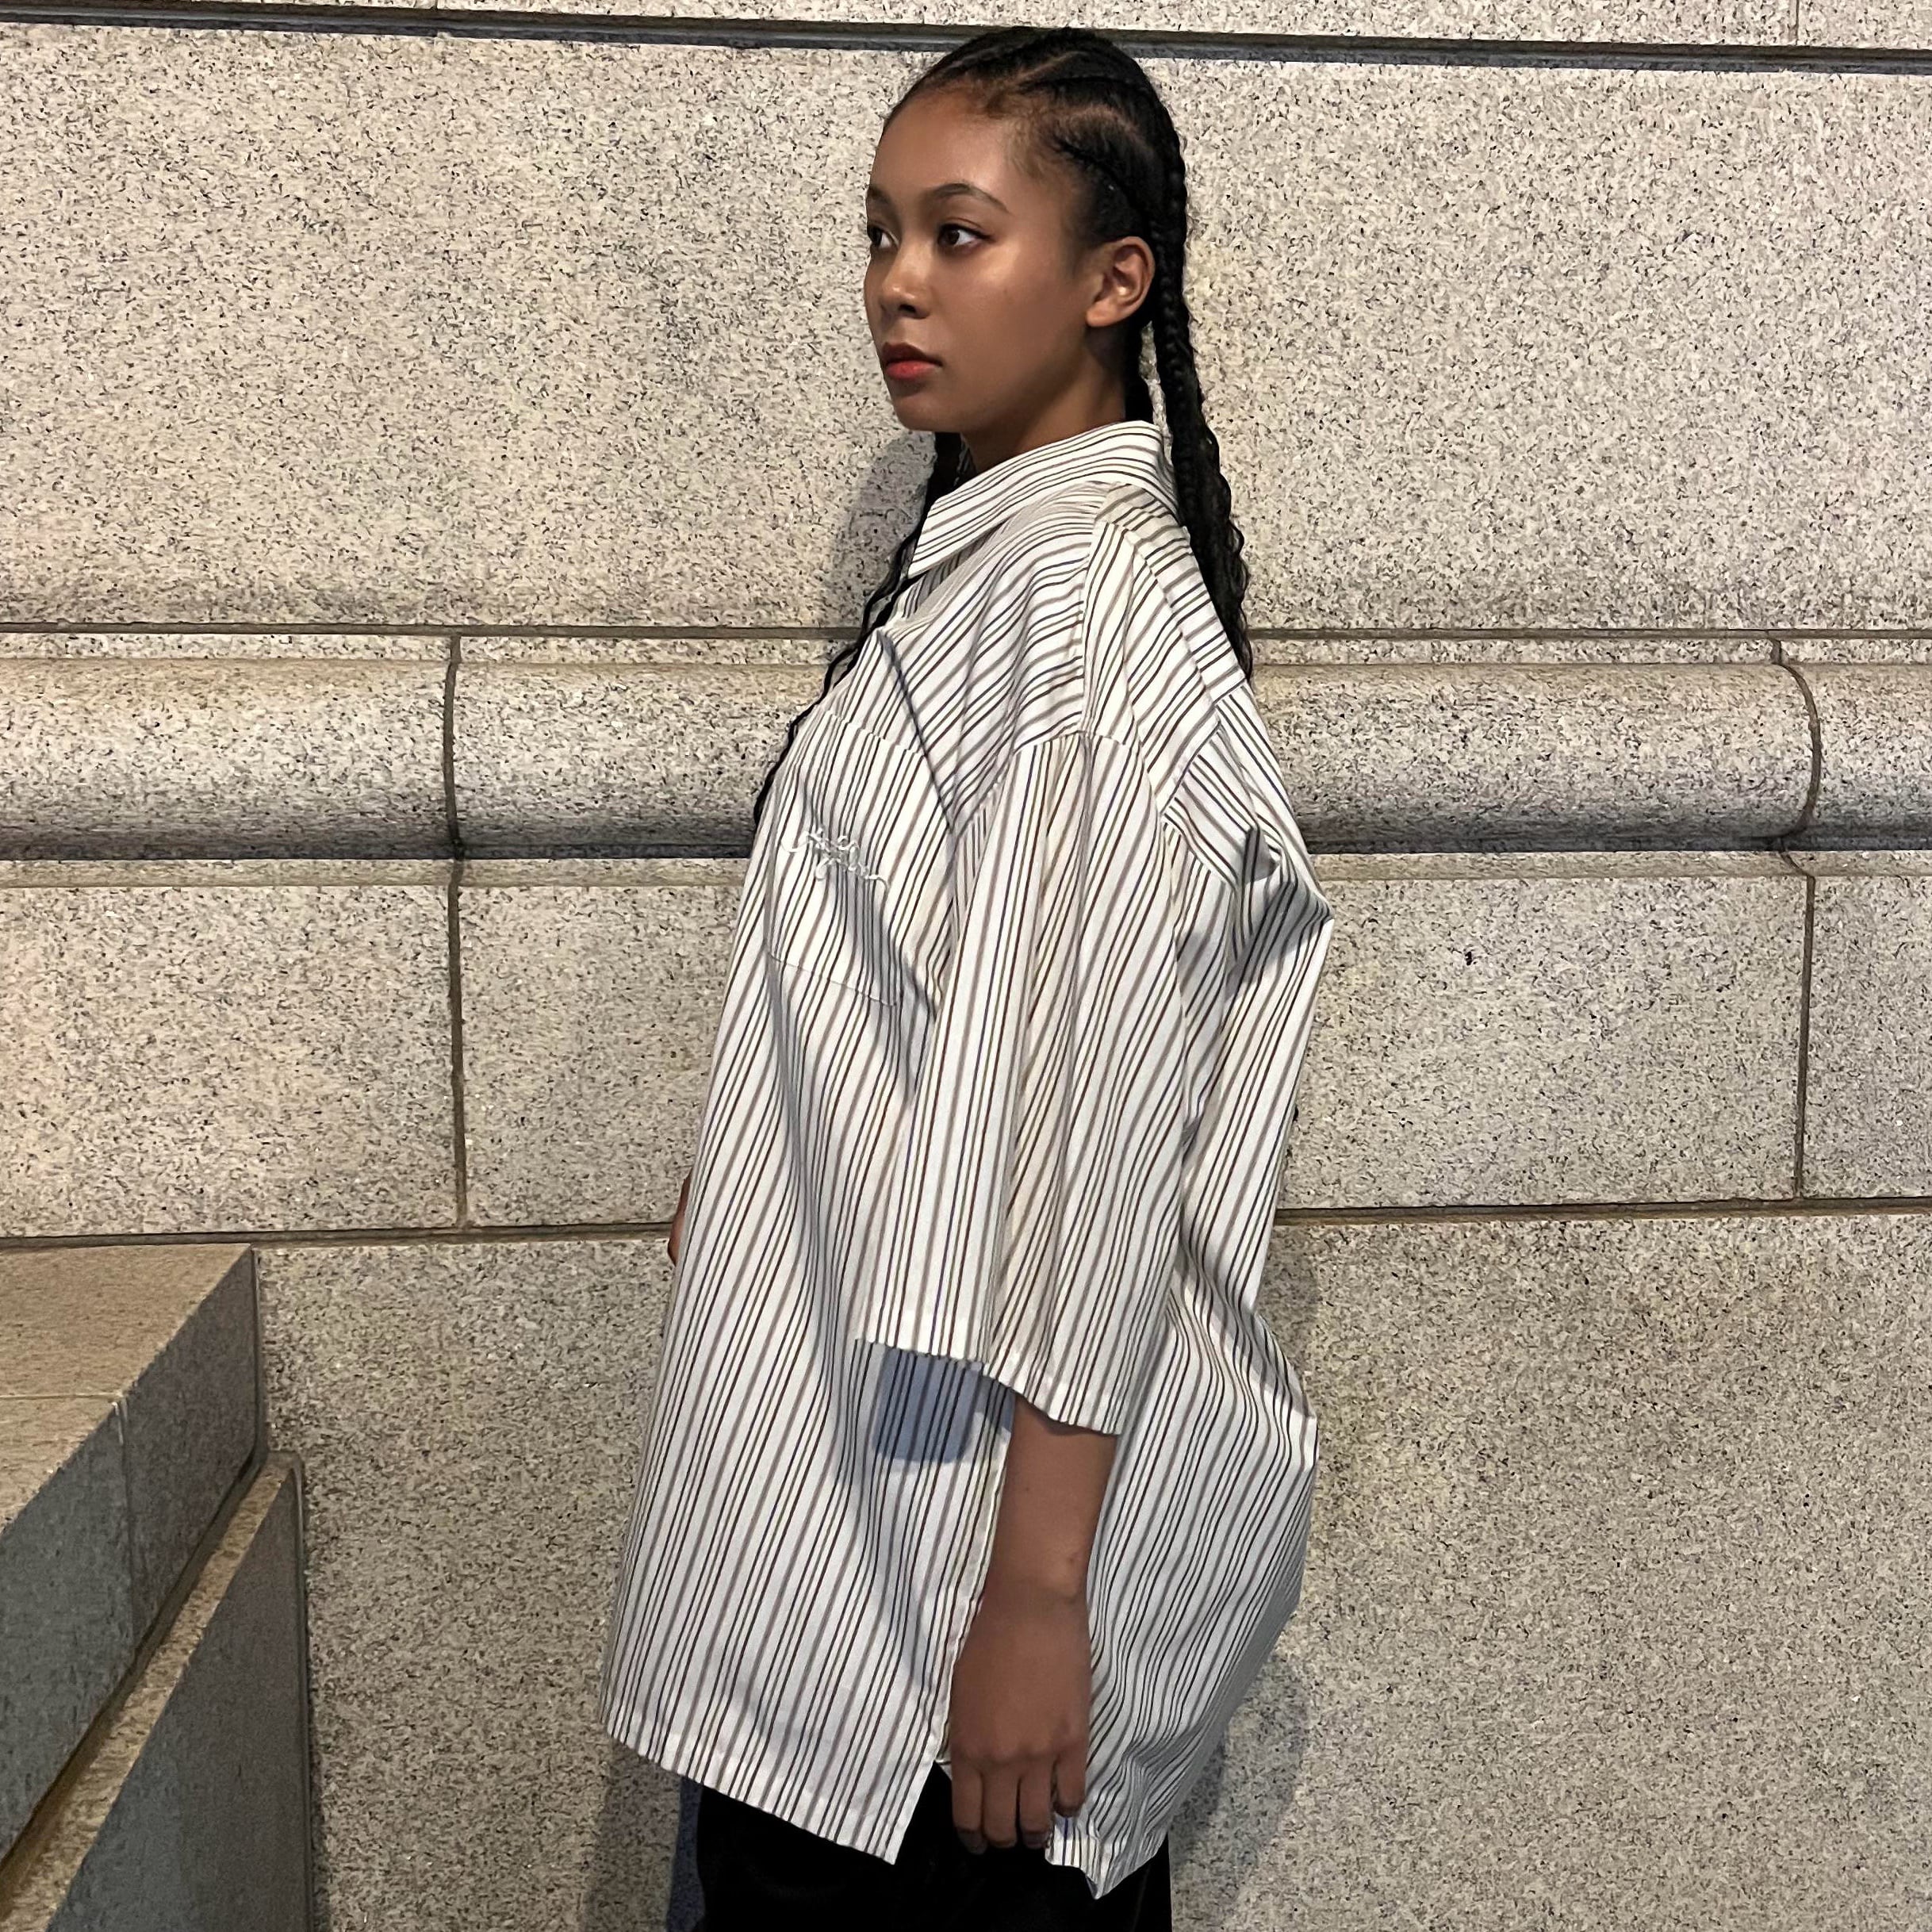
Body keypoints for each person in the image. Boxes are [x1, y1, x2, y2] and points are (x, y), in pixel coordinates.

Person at [597, 24, 1336, 1927]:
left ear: (1114, 280)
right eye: (878, 234)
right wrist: (756, 1158)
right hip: (858, 1543)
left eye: (957, 232)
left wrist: (1036, 1597)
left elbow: (1089, 1147)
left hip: (931, 1613)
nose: (896, 286)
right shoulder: (994, 577)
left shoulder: (1079, 628)